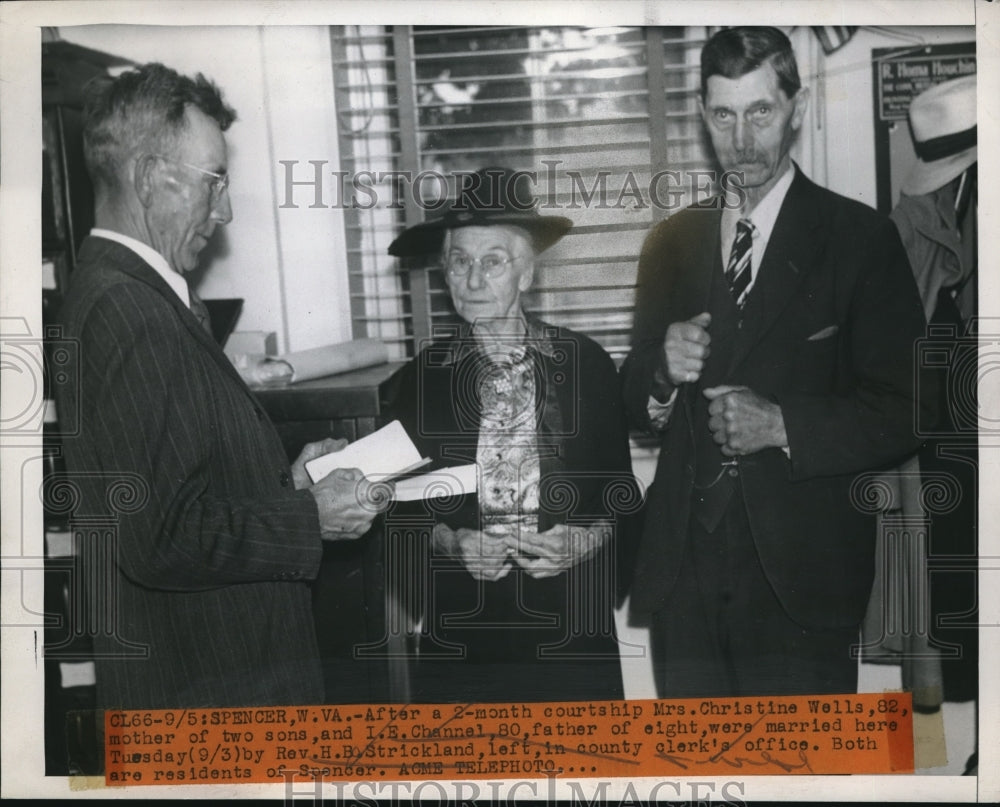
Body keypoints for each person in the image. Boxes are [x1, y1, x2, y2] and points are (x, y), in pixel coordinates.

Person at [56, 63, 387, 709]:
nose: (226, 210)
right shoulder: (128, 310)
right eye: (215, 183)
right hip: (206, 693)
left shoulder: (133, 295)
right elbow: (157, 537)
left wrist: (284, 485)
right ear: (152, 177)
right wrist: (308, 517)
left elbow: (175, 490)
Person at [620, 27, 926, 697]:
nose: (743, 137)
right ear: (702, 116)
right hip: (685, 577)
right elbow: (634, 406)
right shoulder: (668, 243)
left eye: (761, 110)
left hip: (806, 579)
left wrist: (784, 424)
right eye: (724, 114)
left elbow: (910, 409)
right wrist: (660, 373)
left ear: (798, 106)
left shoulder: (861, 239)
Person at [383, 167, 638, 703]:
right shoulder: (420, 381)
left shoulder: (586, 367)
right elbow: (398, 515)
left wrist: (585, 540)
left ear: (527, 274)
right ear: (445, 274)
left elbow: (621, 498)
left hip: (572, 627)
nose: (474, 281)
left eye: (493, 261)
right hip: (463, 635)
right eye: (460, 262)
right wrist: (452, 544)